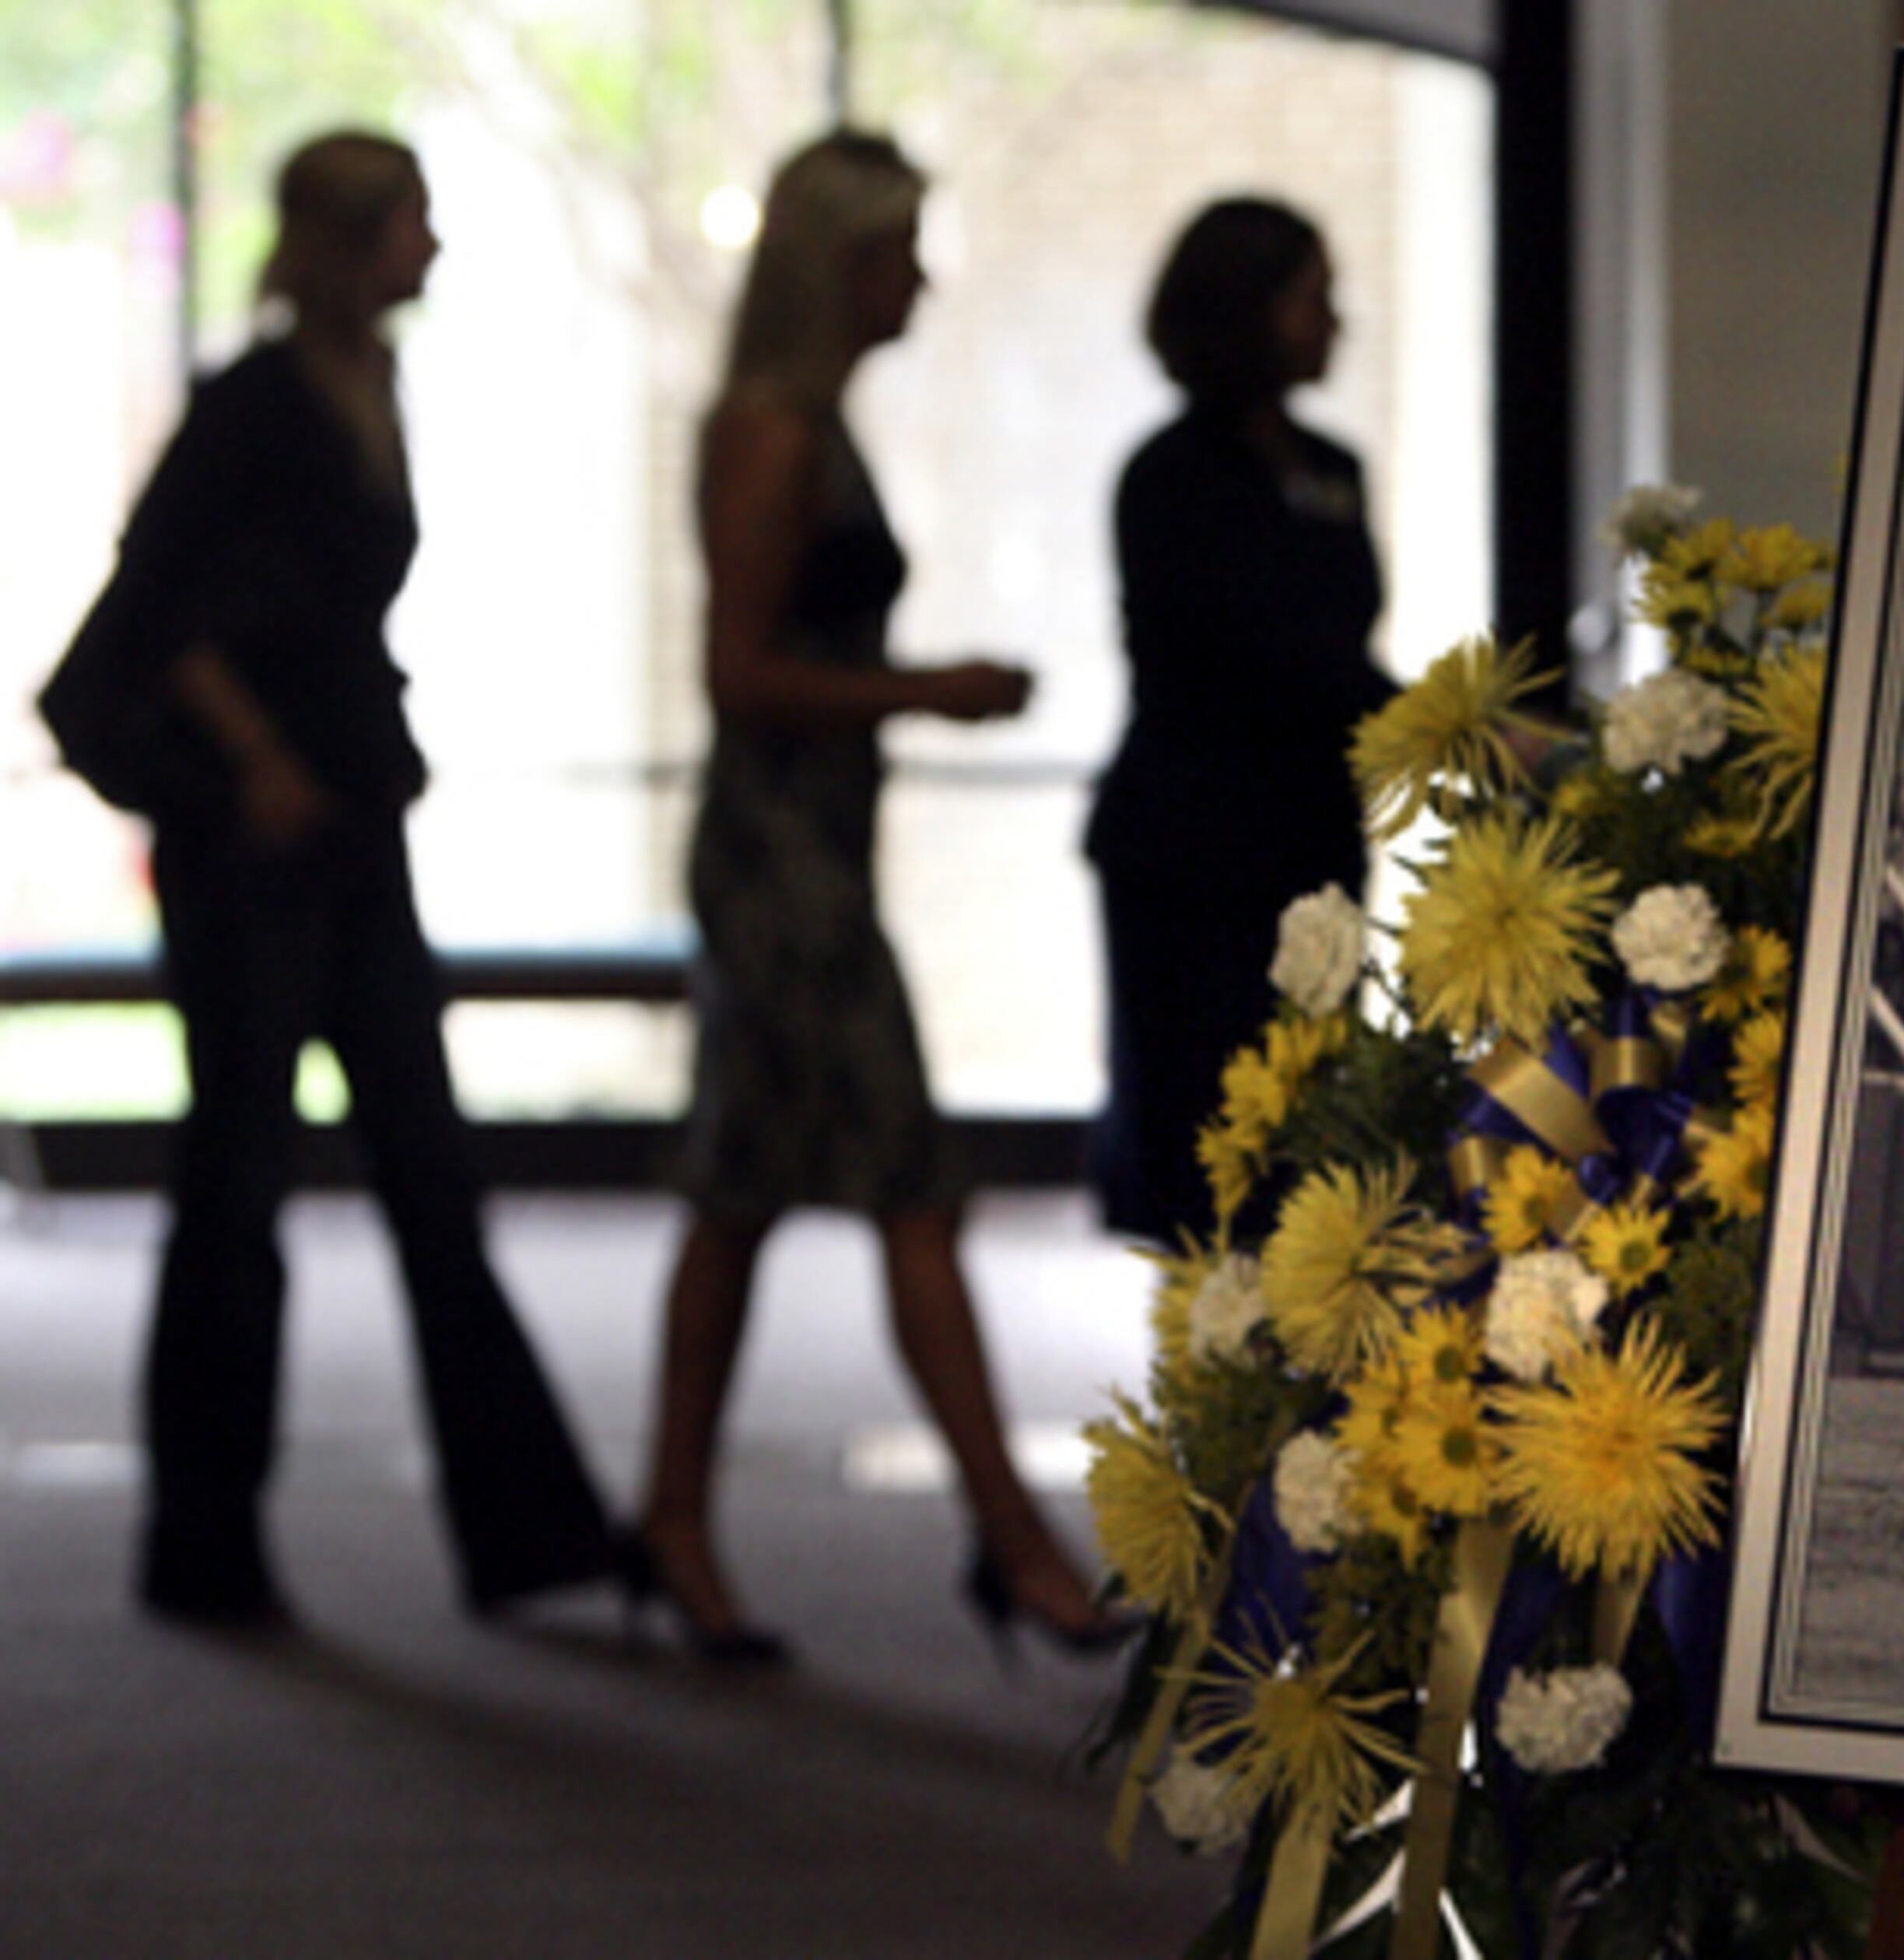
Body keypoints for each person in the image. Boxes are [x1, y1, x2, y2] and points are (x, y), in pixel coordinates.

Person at [44, 131, 619, 1627]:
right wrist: (257, 757)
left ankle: (530, 1527)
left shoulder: (366, 384)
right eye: (414, 220)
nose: (432, 245)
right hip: (256, 845)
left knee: (426, 1174)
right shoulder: (259, 401)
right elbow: (155, 599)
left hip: (349, 826)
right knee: (239, 1182)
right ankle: (206, 1540)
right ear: (356, 238)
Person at [639, 130, 1124, 1664]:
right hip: (779, 861)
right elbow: (737, 674)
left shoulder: (813, 425)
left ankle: (672, 1517)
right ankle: (1016, 1536)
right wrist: (932, 689)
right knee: (912, 1184)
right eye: (899, 253)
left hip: (814, 849)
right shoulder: (772, 432)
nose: (918, 281)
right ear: (836, 268)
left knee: (739, 1192)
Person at [1088, 198, 1398, 1243]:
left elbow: (1333, 649)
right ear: (1245, 311)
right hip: (1194, 856)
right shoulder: (1169, 479)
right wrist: (1458, 727)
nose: (1336, 322)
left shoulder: (1333, 466)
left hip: (1309, 843)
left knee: (1314, 1136)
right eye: (1314, 298)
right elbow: (1278, 658)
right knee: (1205, 1144)